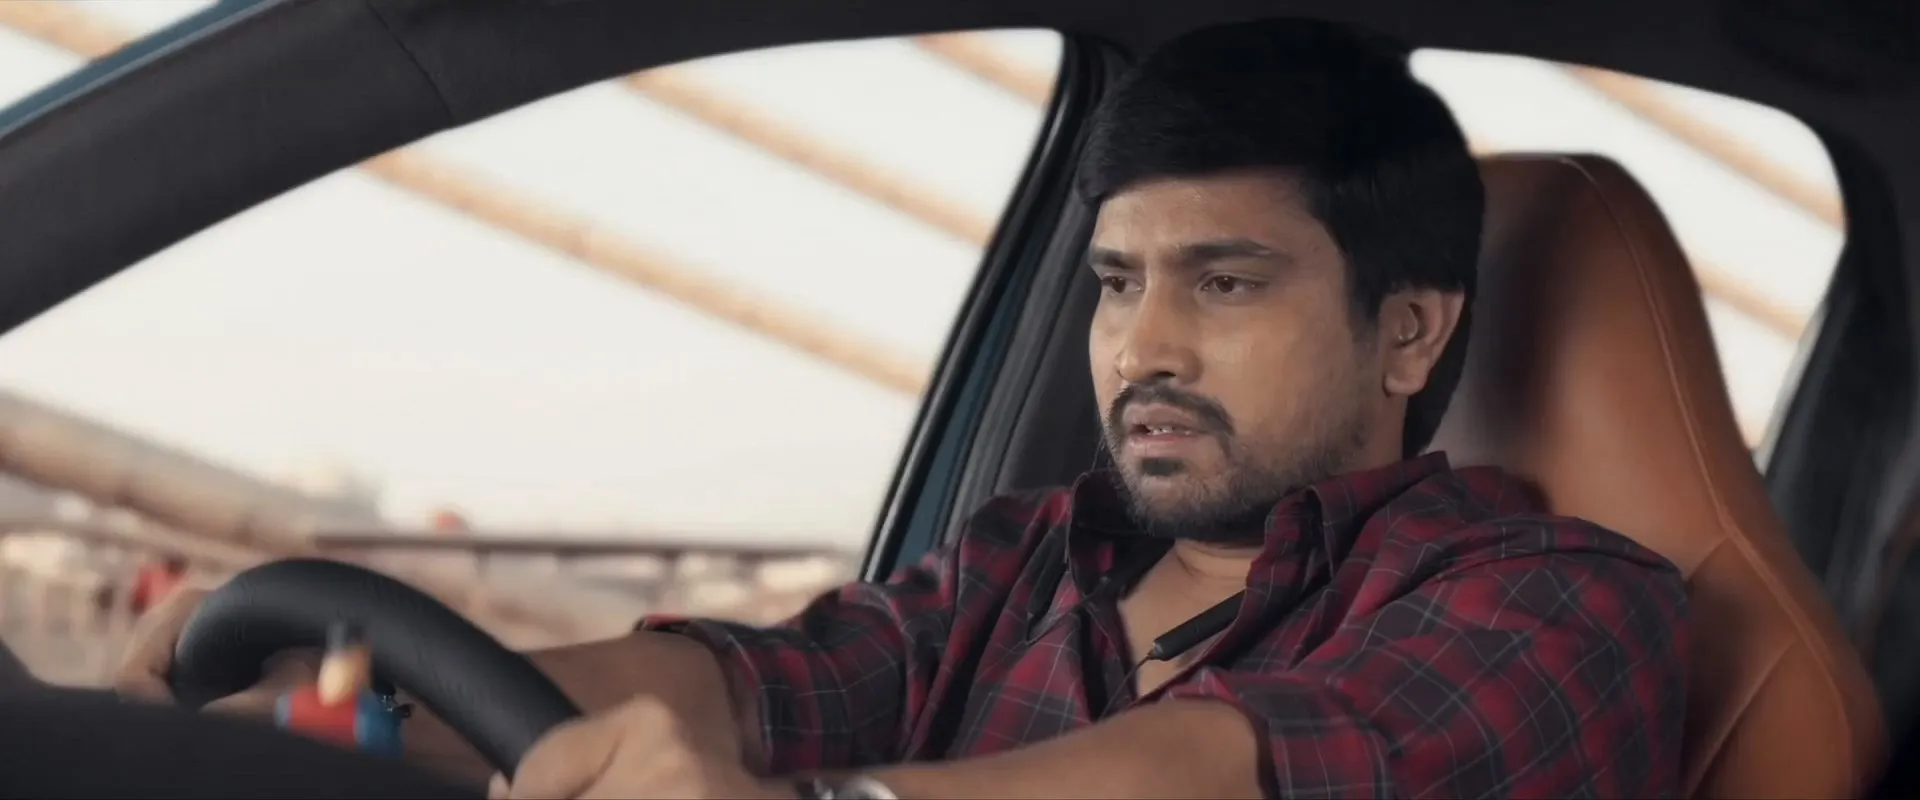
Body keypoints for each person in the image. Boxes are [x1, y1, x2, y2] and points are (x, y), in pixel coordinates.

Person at [113, 18, 1689, 800]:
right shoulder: (1033, 557)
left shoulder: (1566, 608)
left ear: (1407, 331)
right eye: (1116, 283)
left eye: (1223, 283)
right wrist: (337, 703)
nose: (1141, 347)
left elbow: (1219, 769)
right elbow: (748, 687)